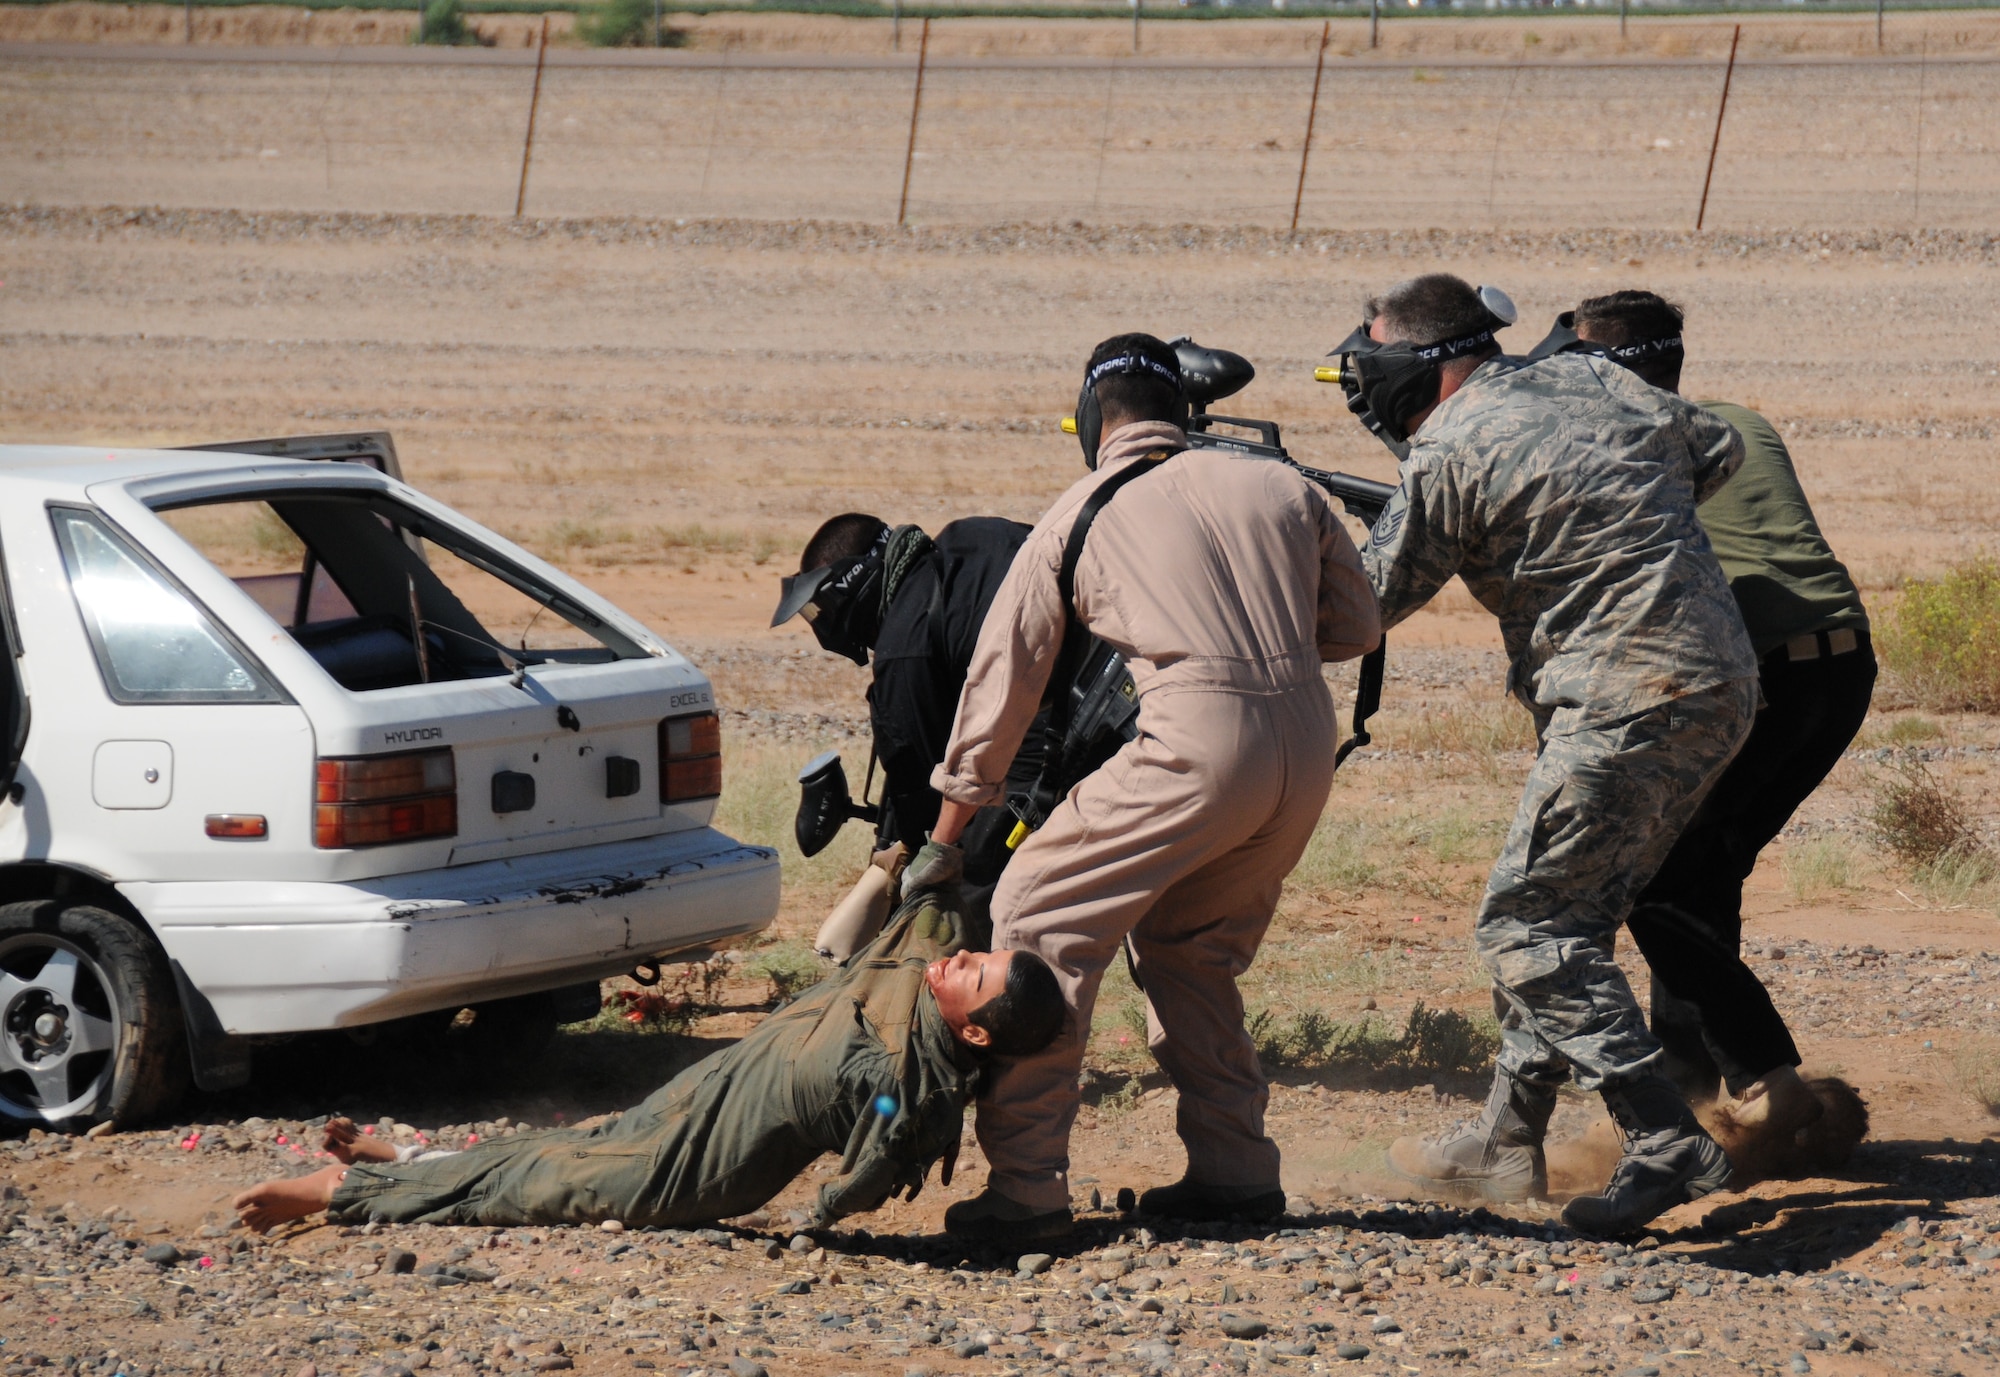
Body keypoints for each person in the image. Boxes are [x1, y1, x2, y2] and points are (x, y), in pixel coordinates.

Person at [909, 332, 1381, 1243]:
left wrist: (945, 833)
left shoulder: (1077, 513)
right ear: (1180, 412)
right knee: (1190, 948)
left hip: (1197, 739)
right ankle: (1235, 1172)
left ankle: (1026, 1187)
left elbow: (1002, 684)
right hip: (1305, 740)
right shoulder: (1281, 483)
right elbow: (1357, 625)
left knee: (1041, 917)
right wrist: (1260, 653)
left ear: (1096, 421)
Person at [1344, 274, 1759, 1238]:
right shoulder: (1606, 386)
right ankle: (1505, 1138)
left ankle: (1663, 1137)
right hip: (1720, 684)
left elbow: (1364, 610)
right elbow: (1719, 447)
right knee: (1575, 910)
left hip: (1622, 697)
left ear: (1415, 365)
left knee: (1526, 926)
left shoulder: (1447, 445)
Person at [232, 895, 1063, 1233]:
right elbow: (932, 884)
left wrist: (817, 1217)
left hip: (701, 1168)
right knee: (569, 1148)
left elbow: (872, 1165)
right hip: (705, 1090)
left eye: (977, 976)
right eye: (979, 954)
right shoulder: (923, 953)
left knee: (549, 1184)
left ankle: (346, 1195)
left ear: (979, 1035)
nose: (963, 961)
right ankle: (409, 1161)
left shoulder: (902, 1083)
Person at [1549, 290, 1875, 1147]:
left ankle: (1767, 1080)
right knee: (1700, 869)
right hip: (1841, 667)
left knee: (1654, 881)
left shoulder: (1633, 440)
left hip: (1763, 679)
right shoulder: (1737, 423)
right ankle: (1695, 1089)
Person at [772, 514, 1050, 940]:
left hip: (1045, 746)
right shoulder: (972, 535)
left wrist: (910, 859)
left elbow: (916, 794)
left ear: (851, 588)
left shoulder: (905, 647)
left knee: (970, 900)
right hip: (1127, 698)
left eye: (819, 609)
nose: (821, 623)